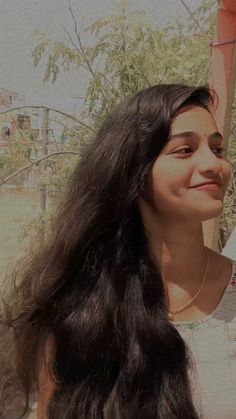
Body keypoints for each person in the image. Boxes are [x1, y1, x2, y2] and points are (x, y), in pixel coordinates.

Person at [5, 84, 236, 419]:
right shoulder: (78, 312)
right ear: (134, 172)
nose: (214, 164)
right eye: (185, 150)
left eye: (217, 149)